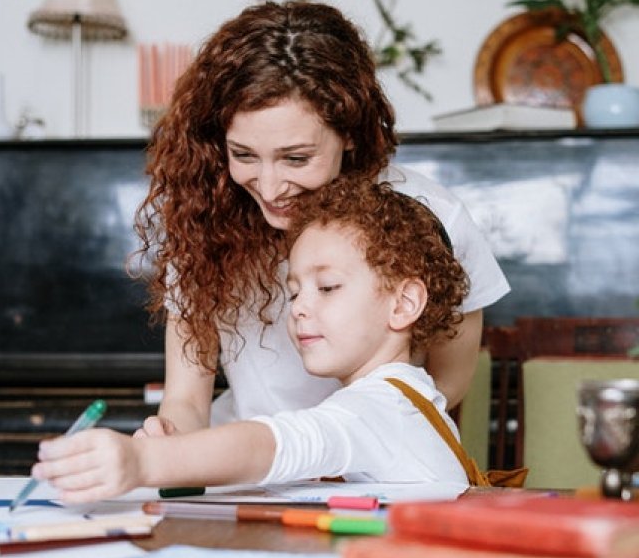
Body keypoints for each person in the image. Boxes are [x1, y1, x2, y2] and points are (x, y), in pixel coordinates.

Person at [133, 0, 509, 440]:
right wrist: (169, 437)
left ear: (349, 132)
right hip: (246, 466)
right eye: (244, 155)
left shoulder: (434, 219)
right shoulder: (204, 220)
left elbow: (447, 384)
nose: (270, 189)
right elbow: (187, 400)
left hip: (373, 458)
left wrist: (343, 446)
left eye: (296, 158)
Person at [33, 178, 476, 501]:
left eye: (327, 288)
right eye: (293, 291)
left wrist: (143, 462)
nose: (299, 307)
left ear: (403, 304)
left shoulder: (378, 407)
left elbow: (272, 444)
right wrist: (180, 453)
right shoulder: (402, 396)